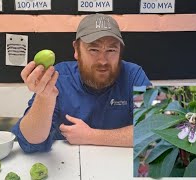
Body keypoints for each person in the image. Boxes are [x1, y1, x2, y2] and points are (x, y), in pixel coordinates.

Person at [12, 13, 151, 153]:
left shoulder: (134, 75)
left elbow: (159, 128)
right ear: (76, 50)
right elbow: (30, 142)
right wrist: (44, 98)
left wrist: (91, 136)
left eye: (111, 50)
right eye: (94, 50)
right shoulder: (59, 77)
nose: (103, 61)